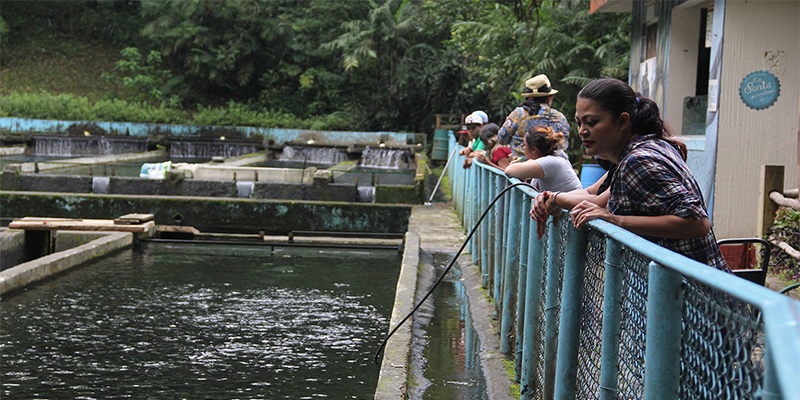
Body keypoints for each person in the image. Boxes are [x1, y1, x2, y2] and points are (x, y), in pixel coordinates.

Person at [532, 78, 729, 272]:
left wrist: (616, 221)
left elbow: (697, 223)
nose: (583, 131)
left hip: (693, 293)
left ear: (623, 121)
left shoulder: (639, 160)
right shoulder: (632, 156)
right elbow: (595, 197)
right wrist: (552, 197)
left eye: (591, 122)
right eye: (579, 123)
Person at [498, 74, 570, 161]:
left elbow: (502, 139)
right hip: (550, 169)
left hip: (522, 169)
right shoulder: (559, 117)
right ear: (548, 98)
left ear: (529, 97)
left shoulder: (518, 114)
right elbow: (563, 146)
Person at [504, 125, 583, 192]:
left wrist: (516, 164)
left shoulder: (550, 161)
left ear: (534, 149)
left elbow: (509, 170)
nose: (523, 149)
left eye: (524, 145)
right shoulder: (550, 160)